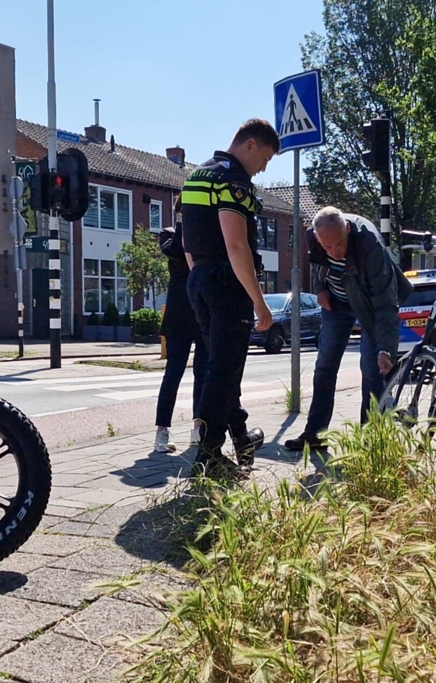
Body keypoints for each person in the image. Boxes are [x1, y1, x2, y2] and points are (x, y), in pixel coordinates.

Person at [182, 118, 280, 478]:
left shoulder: (197, 175)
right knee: (223, 371)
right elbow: (236, 244)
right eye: (266, 159)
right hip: (227, 283)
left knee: (219, 366)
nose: (264, 168)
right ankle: (208, 457)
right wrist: (258, 300)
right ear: (251, 144)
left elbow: (188, 242)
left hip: (200, 278)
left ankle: (241, 437)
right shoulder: (233, 181)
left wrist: (201, 277)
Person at [285, 207, 412, 451]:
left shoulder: (370, 245)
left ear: (347, 229)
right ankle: (315, 434)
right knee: (324, 366)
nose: (334, 252)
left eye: (338, 245)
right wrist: (320, 288)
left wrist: (386, 348)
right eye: (327, 246)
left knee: (372, 368)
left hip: (370, 305)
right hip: (336, 303)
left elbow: (386, 302)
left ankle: (371, 438)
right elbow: (316, 264)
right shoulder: (314, 236)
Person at [154, 194, 207, 453]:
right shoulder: (169, 234)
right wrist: (183, 220)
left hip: (203, 312)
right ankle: (162, 431)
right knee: (173, 372)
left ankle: (198, 428)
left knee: (203, 373)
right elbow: (175, 251)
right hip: (178, 315)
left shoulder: (206, 236)